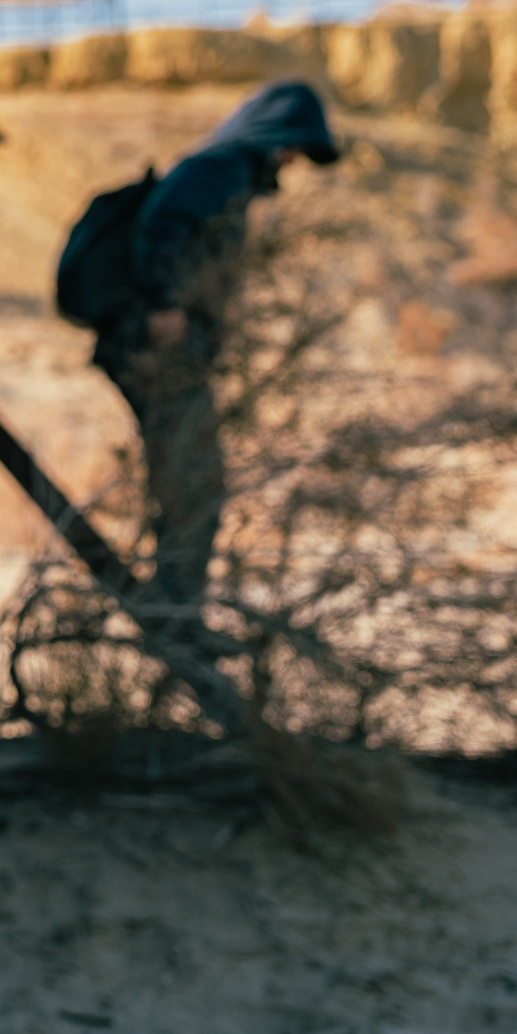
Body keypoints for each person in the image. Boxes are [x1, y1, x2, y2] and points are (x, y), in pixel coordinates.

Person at [90, 80, 339, 639]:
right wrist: (163, 306)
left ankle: (176, 606)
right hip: (160, 351)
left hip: (158, 348)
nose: (294, 162)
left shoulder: (224, 167)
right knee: (196, 480)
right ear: (278, 137)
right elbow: (162, 223)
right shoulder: (223, 167)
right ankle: (178, 614)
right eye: (295, 147)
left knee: (183, 477)